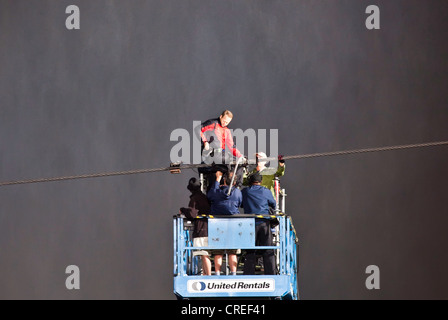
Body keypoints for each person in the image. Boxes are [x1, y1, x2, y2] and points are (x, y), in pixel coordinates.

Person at [197, 110, 245, 192]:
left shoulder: (226, 130)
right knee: (226, 161)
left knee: (240, 164)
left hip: (221, 155)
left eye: (227, 122)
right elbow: (198, 129)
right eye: (224, 121)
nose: (225, 123)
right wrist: (205, 142)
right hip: (211, 154)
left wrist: (240, 156)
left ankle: (236, 187)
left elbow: (231, 146)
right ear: (220, 117)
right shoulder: (213, 123)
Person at [207, 171, 242, 275]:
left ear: (225, 180)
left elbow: (210, 195)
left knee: (218, 252)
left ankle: (217, 273)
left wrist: (217, 180)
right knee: (232, 251)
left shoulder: (217, 192)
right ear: (235, 183)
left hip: (218, 224)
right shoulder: (237, 192)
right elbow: (239, 203)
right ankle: (233, 273)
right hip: (233, 224)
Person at [241, 172, 277, 275]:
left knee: (250, 251)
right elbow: (273, 204)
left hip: (250, 224)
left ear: (250, 181)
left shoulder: (245, 191)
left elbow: (241, 204)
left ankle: (248, 274)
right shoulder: (265, 191)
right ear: (260, 182)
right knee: (268, 250)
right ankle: (271, 273)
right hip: (264, 223)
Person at [179, 178, 212, 275]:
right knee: (204, 254)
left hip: (201, 229)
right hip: (208, 228)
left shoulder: (195, 198)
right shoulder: (204, 197)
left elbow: (192, 214)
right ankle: (206, 274)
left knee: (204, 254)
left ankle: (208, 276)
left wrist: (183, 210)